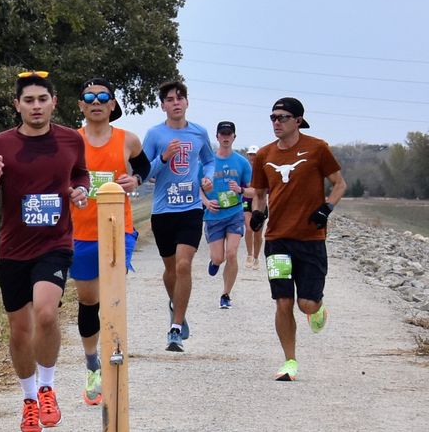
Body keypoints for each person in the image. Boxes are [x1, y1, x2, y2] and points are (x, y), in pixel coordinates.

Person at [0, 71, 90, 432]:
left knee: (45, 312)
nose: (36, 106)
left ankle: (47, 388)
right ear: (17, 105)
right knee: (20, 329)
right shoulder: (0, 144)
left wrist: (80, 190)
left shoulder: (71, 140)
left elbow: (81, 175)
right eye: (29, 100)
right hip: (13, 249)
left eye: (42, 99)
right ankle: (28, 400)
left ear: (54, 102)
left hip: (54, 245)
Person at [250, 97, 344, 381]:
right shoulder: (264, 154)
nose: (276, 122)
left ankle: (317, 308)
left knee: (306, 304)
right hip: (277, 240)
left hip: (310, 239)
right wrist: (258, 214)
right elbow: (259, 193)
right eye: (273, 117)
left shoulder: (317, 148)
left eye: (282, 117)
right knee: (282, 301)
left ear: (298, 121)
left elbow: (340, 183)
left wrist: (326, 208)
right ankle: (289, 361)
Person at [66, 77, 145, 407]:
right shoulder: (71, 140)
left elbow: (143, 166)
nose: (96, 102)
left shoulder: (128, 139)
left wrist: (135, 179)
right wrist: (71, 189)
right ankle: (92, 364)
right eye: (89, 98)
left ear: (112, 104)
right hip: (81, 232)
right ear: (81, 106)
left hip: (117, 229)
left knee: (113, 293)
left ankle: (116, 357)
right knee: (89, 300)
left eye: (102, 97)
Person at [141, 79, 212, 352]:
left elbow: (209, 160)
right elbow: (143, 173)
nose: (176, 103)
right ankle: (175, 304)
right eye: (170, 99)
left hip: (191, 209)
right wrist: (163, 158)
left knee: (184, 265)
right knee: (171, 270)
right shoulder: (154, 135)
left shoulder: (199, 133)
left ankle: (175, 327)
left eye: (179, 98)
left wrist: (207, 177)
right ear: (163, 106)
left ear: (187, 102)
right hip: (163, 211)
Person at [200, 120, 254, 309]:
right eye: (222, 134)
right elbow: (196, 188)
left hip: (235, 213)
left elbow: (254, 191)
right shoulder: (206, 163)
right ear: (217, 137)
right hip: (213, 215)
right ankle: (215, 262)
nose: (225, 137)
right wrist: (206, 202)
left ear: (234, 137)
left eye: (228, 134)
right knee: (219, 257)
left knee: (231, 254)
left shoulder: (242, 162)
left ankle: (226, 294)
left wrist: (240, 189)